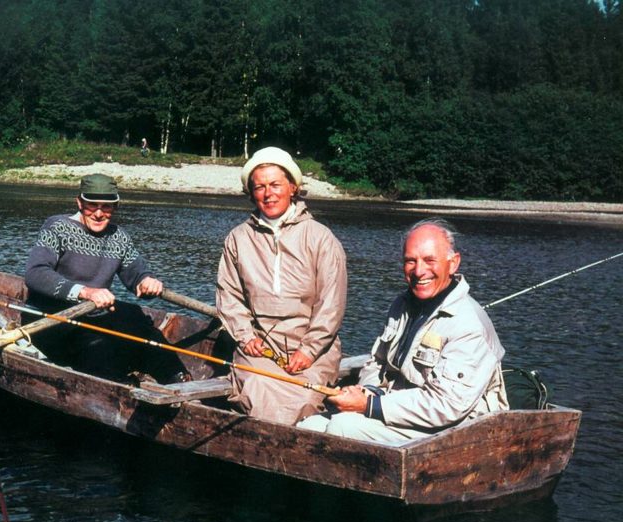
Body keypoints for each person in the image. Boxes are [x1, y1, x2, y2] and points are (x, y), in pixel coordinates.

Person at [298, 218, 508, 444]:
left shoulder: (468, 324)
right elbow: (377, 362)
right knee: (307, 427)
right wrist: (368, 391)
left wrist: (369, 405)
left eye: (429, 260)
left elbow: (446, 406)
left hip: (457, 429)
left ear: (453, 263)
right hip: (400, 410)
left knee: (343, 425)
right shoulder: (402, 305)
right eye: (410, 261)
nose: (419, 270)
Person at [216, 146, 347, 425]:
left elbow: (331, 305)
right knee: (257, 392)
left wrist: (308, 351)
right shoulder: (238, 238)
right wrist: (245, 337)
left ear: (293, 187)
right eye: (259, 187)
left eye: (275, 184)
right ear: (251, 193)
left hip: (313, 348)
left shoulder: (321, 238)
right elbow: (229, 296)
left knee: (304, 400)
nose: (268, 193)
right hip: (259, 348)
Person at [24, 173, 188, 383]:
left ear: (115, 207)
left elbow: (136, 274)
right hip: (51, 321)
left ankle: (179, 383)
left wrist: (147, 281)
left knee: (148, 334)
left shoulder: (119, 237)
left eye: (107, 206)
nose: (99, 213)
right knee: (98, 346)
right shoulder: (56, 227)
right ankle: (120, 387)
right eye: (92, 205)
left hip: (94, 317)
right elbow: (35, 273)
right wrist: (84, 292)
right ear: (79, 203)